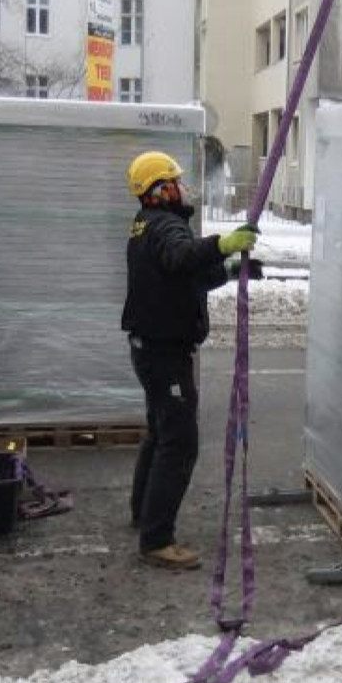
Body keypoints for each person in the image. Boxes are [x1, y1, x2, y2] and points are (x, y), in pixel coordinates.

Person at [121, 150, 260, 568]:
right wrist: (224, 242)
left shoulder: (147, 225)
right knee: (180, 443)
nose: (182, 187)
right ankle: (157, 540)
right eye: (175, 181)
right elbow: (182, 257)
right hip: (164, 354)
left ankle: (143, 513)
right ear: (160, 190)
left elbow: (182, 275)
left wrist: (232, 267)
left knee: (161, 433)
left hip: (151, 349)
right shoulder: (165, 227)